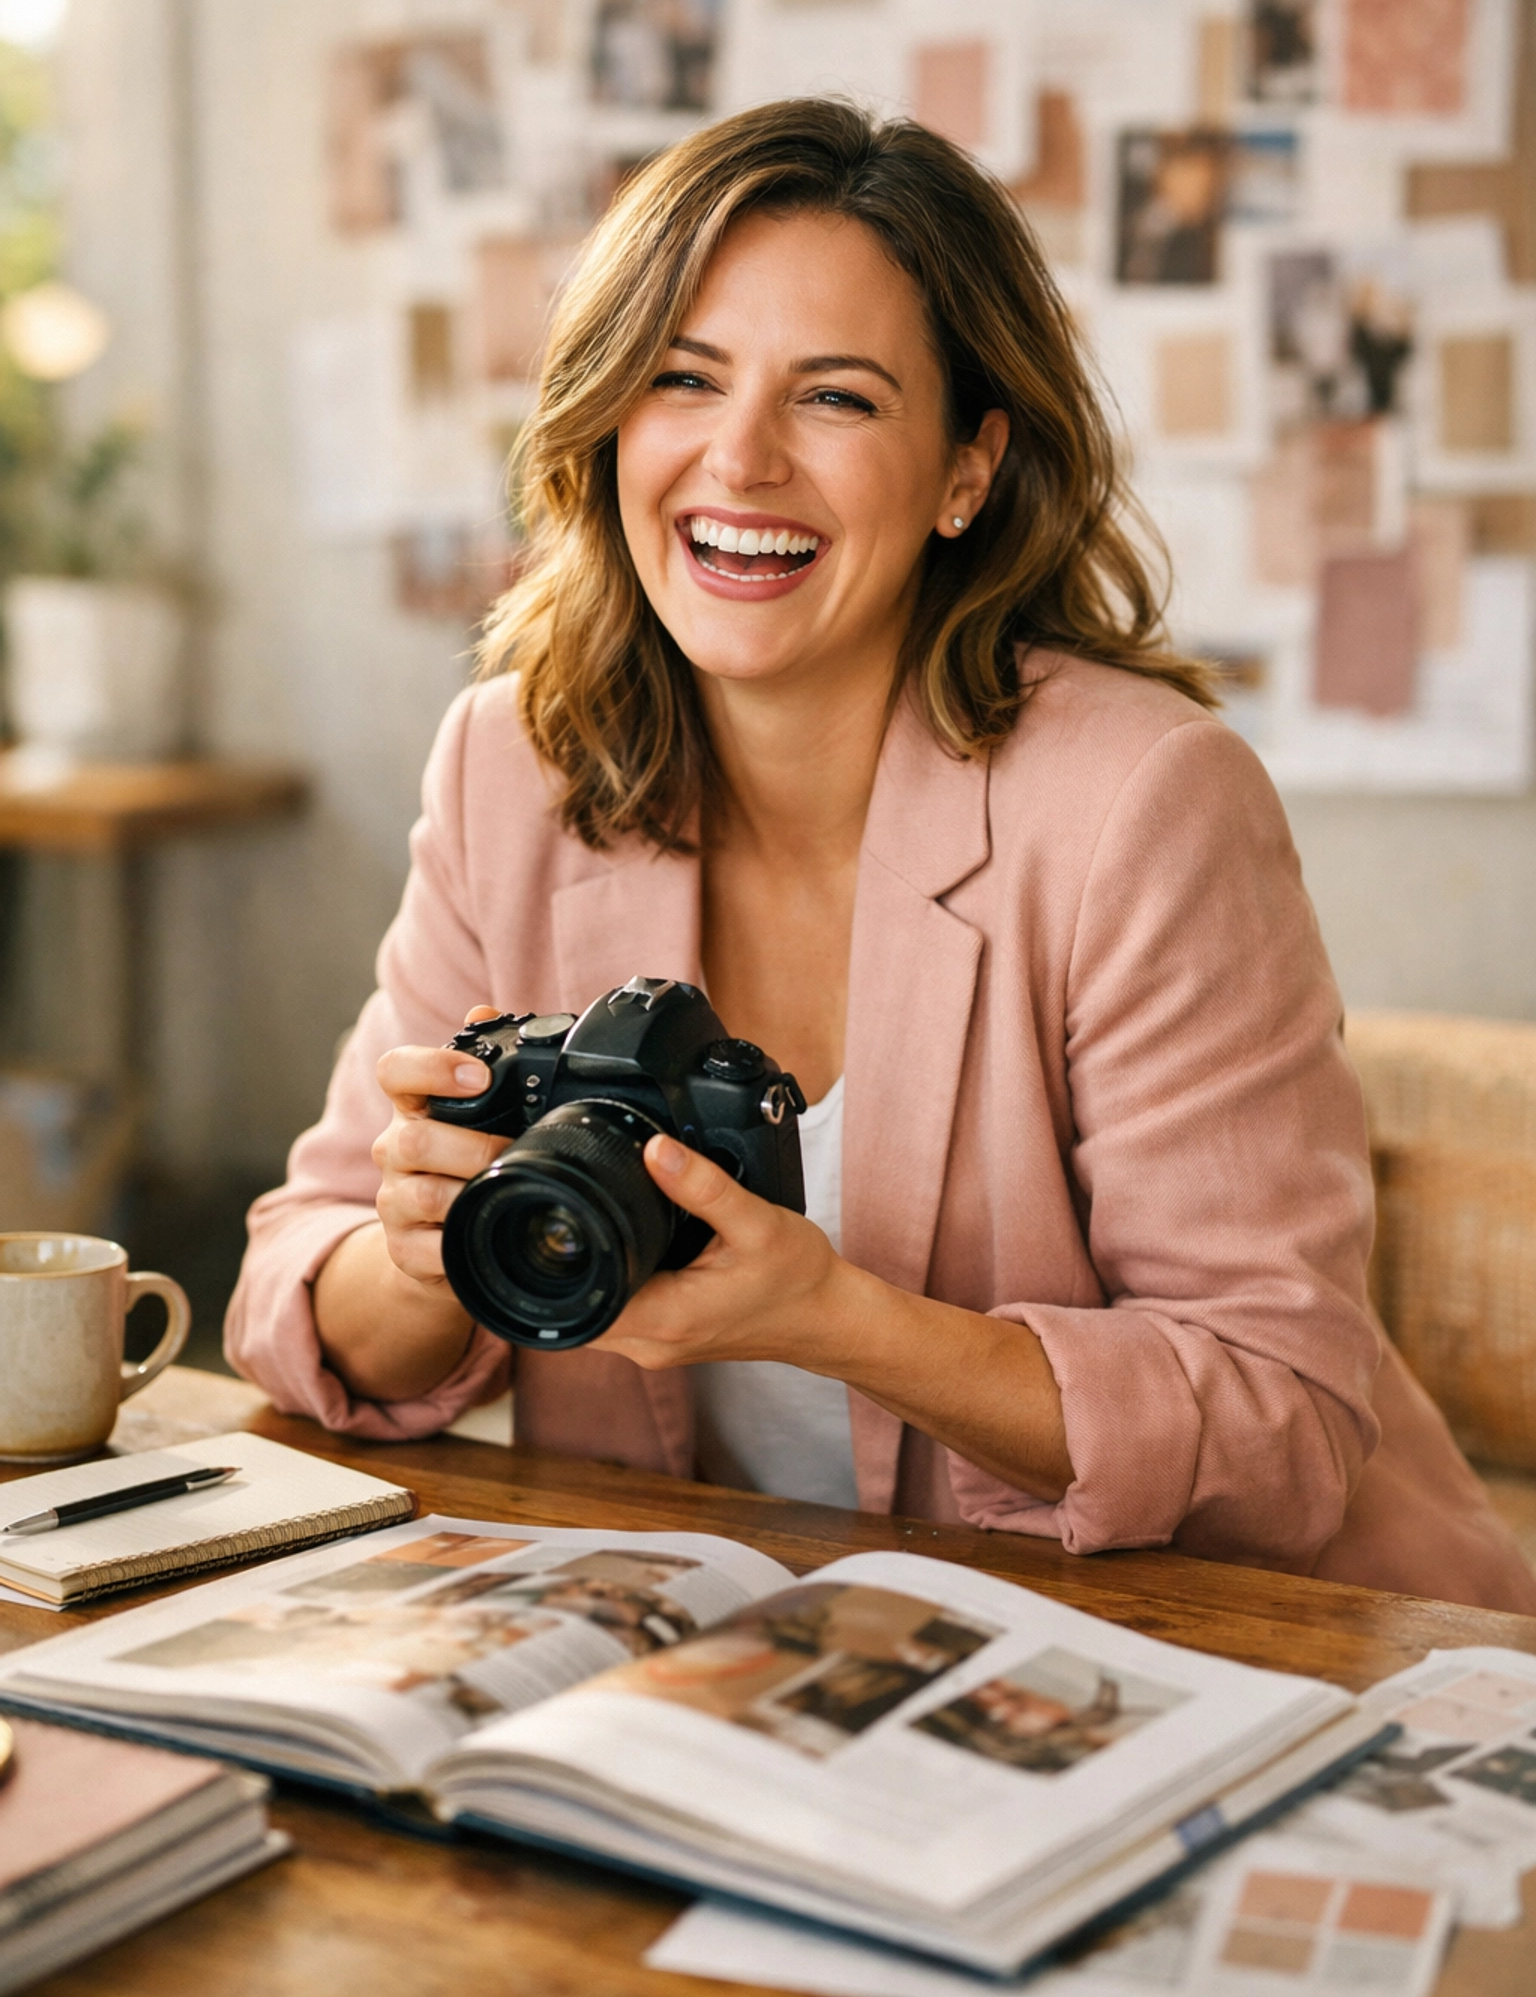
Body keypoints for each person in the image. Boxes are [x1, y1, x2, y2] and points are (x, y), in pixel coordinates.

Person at [226, 98, 1536, 1614]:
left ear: (966, 469)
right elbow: (290, 1304)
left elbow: (1278, 1422)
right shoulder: (516, 767)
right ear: (605, 420)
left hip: (1248, 1655)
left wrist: (836, 1316)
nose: (741, 459)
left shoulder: (1144, 804)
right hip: (737, 1657)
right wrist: (422, 1244)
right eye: (682, 378)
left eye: (836, 400)